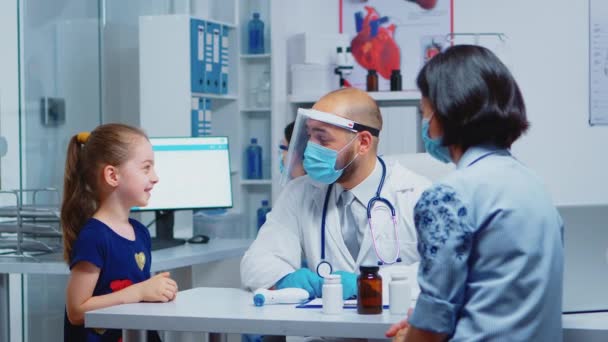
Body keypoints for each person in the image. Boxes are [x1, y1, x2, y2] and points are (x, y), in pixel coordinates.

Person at [386, 45, 564, 341]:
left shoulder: (449, 196)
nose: (425, 122)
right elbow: (501, 296)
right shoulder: (535, 187)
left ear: (445, 113)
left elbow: (432, 328)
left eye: (424, 111)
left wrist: (410, 335)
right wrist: (422, 321)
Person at [241, 88, 431, 300]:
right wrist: (284, 278)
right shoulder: (299, 192)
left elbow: (444, 272)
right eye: (309, 136)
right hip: (324, 329)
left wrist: (368, 286)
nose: (310, 149)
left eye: (322, 140)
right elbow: (256, 261)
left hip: (394, 330)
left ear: (363, 143)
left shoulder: (418, 195)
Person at [61, 123, 178, 341]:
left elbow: (136, 301)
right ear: (113, 176)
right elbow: (76, 310)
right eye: (146, 167)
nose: (155, 177)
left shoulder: (140, 233)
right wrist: (140, 292)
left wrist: (155, 293)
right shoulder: (94, 237)